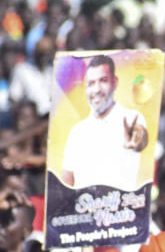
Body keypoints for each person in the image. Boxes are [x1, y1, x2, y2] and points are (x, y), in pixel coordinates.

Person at [60, 55, 148, 190]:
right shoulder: (77, 132)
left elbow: (141, 138)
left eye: (103, 81)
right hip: (85, 209)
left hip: (122, 209)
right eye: (91, 83)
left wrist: (136, 140)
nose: (96, 90)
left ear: (115, 82)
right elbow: (67, 181)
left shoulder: (132, 118)